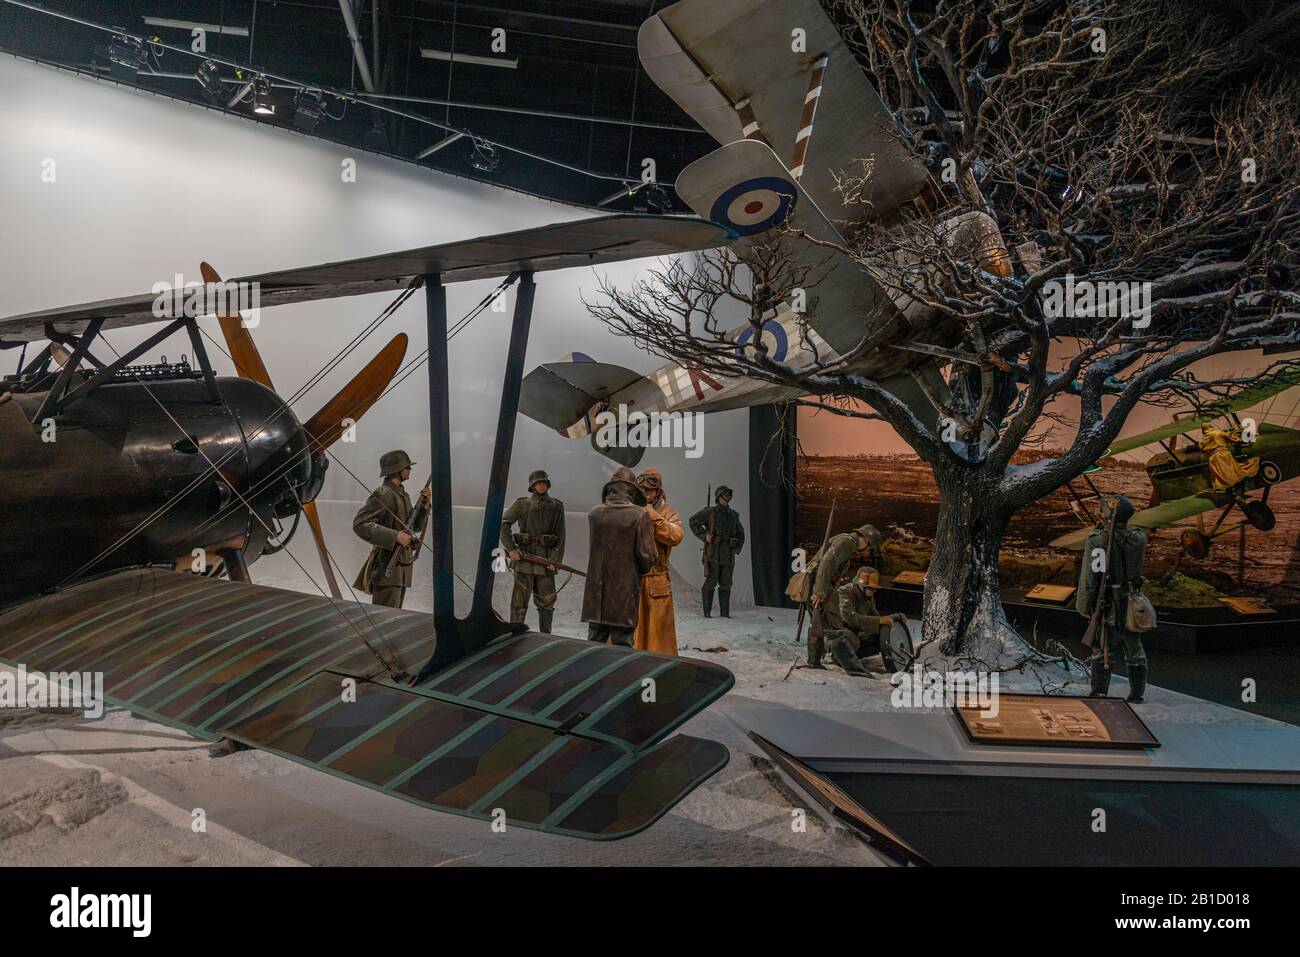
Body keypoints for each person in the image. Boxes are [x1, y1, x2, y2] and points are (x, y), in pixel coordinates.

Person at [1075, 495, 1149, 702]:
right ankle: (1136, 694)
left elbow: (1090, 579)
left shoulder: (1097, 540)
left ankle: (1099, 692)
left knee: (1103, 647)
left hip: (1107, 604)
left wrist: (1084, 606)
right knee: (1134, 648)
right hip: (1132, 602)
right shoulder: (1139, 538)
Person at [582, 466, 658, 646]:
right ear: (632, 490)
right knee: (622, 646)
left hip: (596, 596)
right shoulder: (639, 515)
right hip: (624, 595)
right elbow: (648, 557)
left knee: (594, 643)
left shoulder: (595, 514)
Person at [353, 449, 430, 609]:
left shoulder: (402, 494)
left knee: (394, 618)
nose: (410, 470)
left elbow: (414, 527)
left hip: (400, 569)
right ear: (397, 470)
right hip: (387, 567)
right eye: (407, 467)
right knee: (384, 620)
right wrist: (395, 536)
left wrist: (424, 504)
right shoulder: (384, 494)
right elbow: (360, 524)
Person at [806, 524, 884, 669]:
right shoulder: (847, 542)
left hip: (821, 586)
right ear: (866, 540)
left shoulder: (847, 543)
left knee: (820, 623)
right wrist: (819, 592)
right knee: (830, 627)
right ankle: (849, 666)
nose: (868, 552)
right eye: (870, 547)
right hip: (818, 586)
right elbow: (826, 565)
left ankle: (814, 661)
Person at [500, 469, 565, 634]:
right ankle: (515, 634)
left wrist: (555, 561)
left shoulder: (557, 506)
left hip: (546, 562)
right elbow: (504, 524)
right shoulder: (522, 504)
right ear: (532, 486)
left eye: (544, 482)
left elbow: (560, 536)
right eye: (538, 483)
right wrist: (511, 548)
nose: (541, 485)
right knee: (519, 601)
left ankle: (546, 635)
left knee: (547, 601)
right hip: (524, 561)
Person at [813, 566, 909, 675]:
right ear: (861, 585)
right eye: (871, 588)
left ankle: (854, 656)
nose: (874, 590)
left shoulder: (868, 597)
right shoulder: (845, 592)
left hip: (856, 631)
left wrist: (895, 617)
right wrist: (879, 621)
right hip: (838, 631)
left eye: (874, 588)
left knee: (880, 635)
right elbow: (850, 617)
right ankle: (837, 658)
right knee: (851, 639)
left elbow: (876, 617)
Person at [632, 468, 684, 655]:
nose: (646, 493)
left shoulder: (668, 513)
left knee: (659, 637)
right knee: (634, 632)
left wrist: (652, 516)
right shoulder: (631, 510)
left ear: (658, 491)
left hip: (657, 580)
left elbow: (675, 536)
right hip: (634, 578)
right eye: (642, 489)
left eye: (650, 490)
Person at [689, 485, 745, 618]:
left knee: (726, 583)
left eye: (729, 493)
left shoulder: (733, 515)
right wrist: (704, 535)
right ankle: (707, 613)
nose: (728, 496)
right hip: (713, 553)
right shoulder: (710, 512)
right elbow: (693, 522)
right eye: (725, 494)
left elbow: (740, 533)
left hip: (728, 555)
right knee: (711, 582)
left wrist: (736, 545)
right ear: (718, 496)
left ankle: (724, 614)